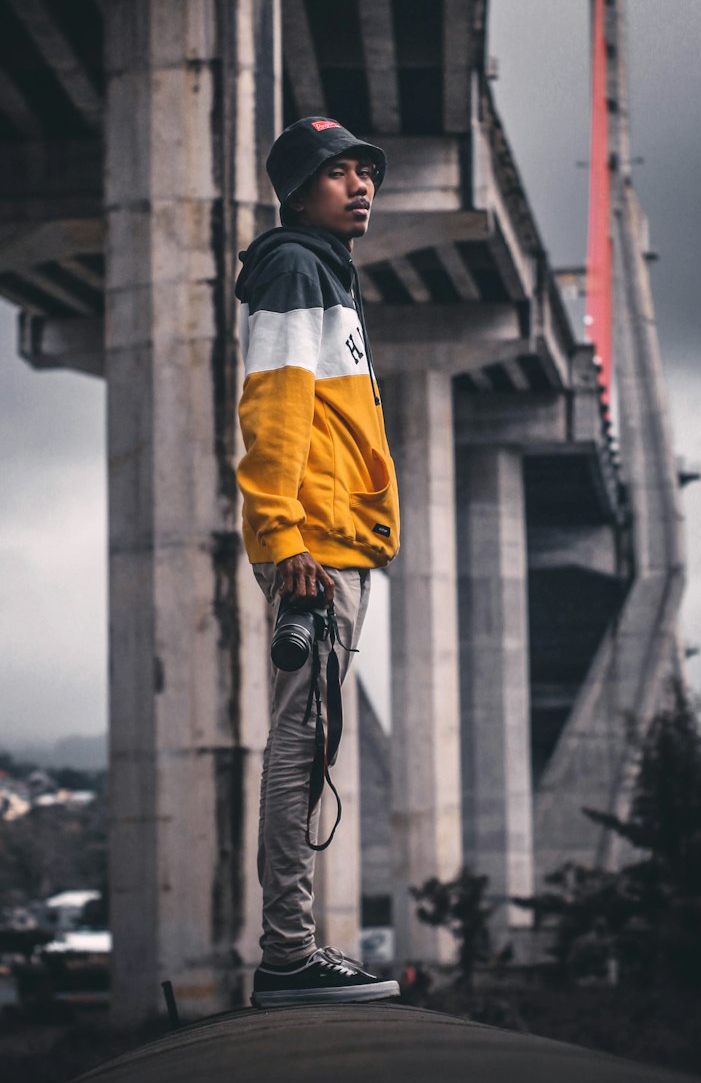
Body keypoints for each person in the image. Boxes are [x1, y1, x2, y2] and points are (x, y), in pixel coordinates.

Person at [235, 116, 401, 1006]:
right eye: (340, 174)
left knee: (309, 742)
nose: (362, 185)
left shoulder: (326, 272)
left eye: (366, 172)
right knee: (301, 744)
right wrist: (285, 533)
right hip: (315, 547)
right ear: (299, 192)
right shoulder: (298, 267)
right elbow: (273, 409)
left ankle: (294, 945)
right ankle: (290, 952)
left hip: (336, 541)